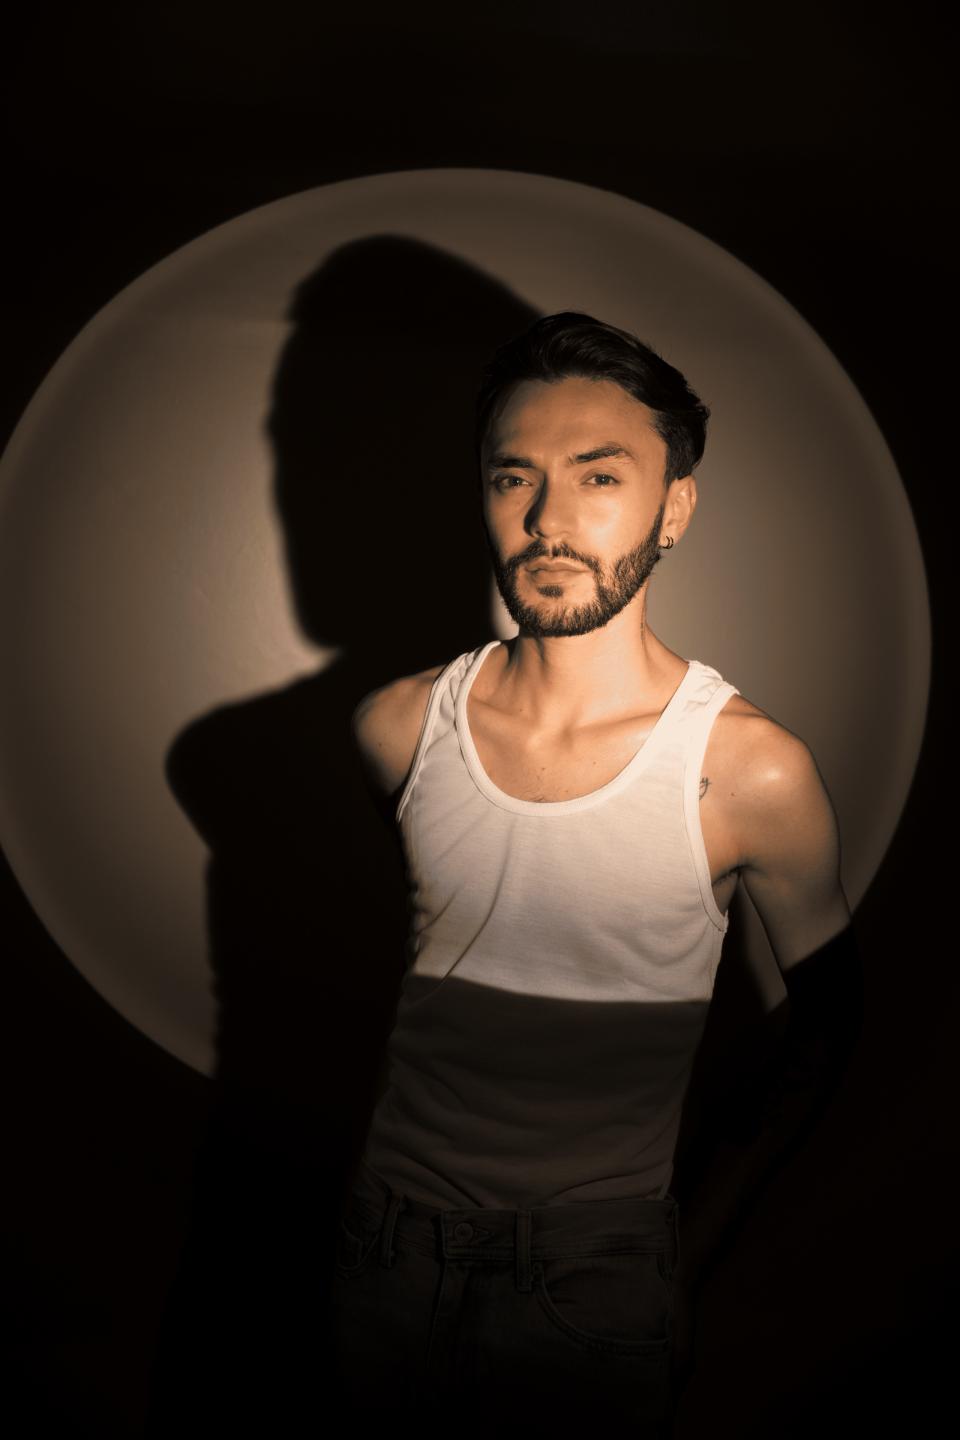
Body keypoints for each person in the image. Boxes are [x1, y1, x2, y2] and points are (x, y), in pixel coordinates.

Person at [324, 312, 863, 1434]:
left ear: (675, 508)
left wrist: (676, 1257)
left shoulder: (750, 772)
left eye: (599, 476)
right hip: (380, 1251)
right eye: (513, 476)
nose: (548, 521)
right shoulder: (395, 728)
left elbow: (829, 1036)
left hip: (596, 1275)